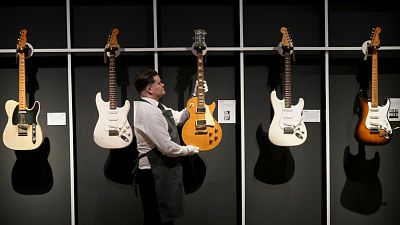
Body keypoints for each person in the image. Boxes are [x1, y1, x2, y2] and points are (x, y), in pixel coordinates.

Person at [133, 68, 200, 225]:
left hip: (161, 173)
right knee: (156, 219)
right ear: (150, 89)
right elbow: (167, 148)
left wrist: (195, 96)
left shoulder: (158, 108)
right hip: (154, 176)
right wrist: (189, 149)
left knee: (164, 219)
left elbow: (179, 118)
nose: (163, 84)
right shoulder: (148, 112)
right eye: (159, 82)